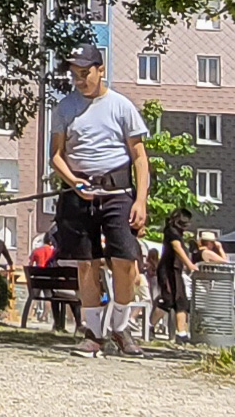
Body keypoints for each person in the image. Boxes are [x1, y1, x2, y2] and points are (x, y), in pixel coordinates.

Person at [49, 44, 150, 358]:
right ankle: (93, 333)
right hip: (79, 194)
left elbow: (140, 157)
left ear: (100, 69)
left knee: (124, 261)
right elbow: (56, 156)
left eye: (85, 73)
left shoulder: (121, 106)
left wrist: (141, 200)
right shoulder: (65, 108)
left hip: (117, 194)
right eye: (75, 75)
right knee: (86, 264)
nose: (80, 80)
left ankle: (120, 326)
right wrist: (73, 181)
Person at [154, 209, 196, 344]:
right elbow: (177, 248)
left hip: (175, 270)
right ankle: (150, 325)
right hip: (167, 270)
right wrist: (189, 264)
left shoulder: (176, 233)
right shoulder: (171, 232)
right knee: (168, 299)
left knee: (180, 300)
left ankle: (181, 333)